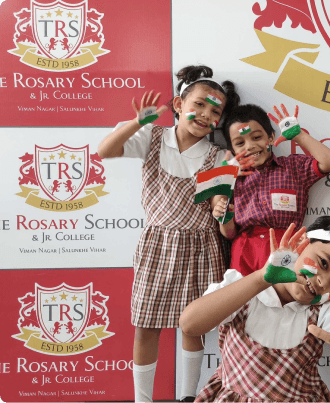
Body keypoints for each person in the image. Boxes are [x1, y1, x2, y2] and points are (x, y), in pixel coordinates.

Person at [98, 65, 241, 403]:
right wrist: (138, 122)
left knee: (193, 326)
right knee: (146, 325)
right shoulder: (152, 137)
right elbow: (105, 150)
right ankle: (142, 400)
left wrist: (222, 206)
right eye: (199, 104)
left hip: (201, 246)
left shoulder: (219, 157)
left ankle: (188, 396)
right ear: (178, 104)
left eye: (215, 111)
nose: (206, 115)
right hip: (158, 245)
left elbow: (216, 204)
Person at [180, 216, 330, 403]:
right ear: (300, 243)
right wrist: (261, 279)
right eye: (323, 263)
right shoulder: (244, 288)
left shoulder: (326, 307)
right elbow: (190, 324)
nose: (323, 282)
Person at [212, 103, 330, 276]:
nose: (249, 146)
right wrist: (225, 218)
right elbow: (229, 233)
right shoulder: (233, 180)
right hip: (245, 253)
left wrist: (298, 135)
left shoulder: (293, 168)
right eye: (240, 143)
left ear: (271, 137)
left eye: (256, 137)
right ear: (232, 150)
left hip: (286, 250)